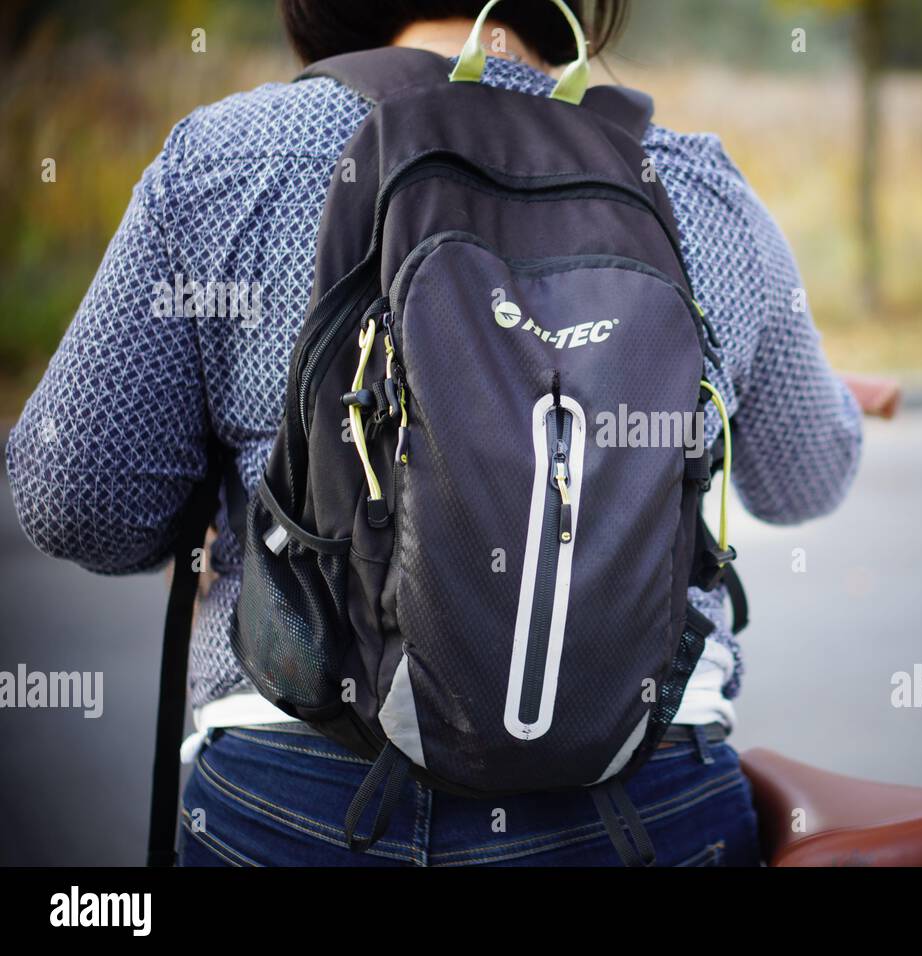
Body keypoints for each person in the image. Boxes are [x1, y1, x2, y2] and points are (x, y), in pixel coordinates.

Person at [4, 0, 863, 866]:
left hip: (305, 790)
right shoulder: (692, 181)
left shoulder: (228, 161)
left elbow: (78, 503)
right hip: (639, 799)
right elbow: (804, 477)